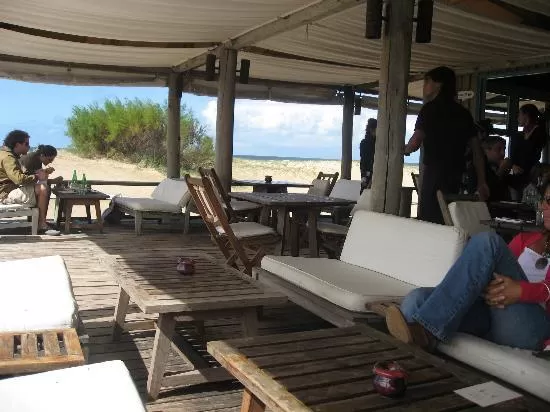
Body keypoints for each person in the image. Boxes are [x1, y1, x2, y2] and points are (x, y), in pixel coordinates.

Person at [385, 178, 550, 352]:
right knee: (416, 300)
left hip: (532, 328)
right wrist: (488, 288)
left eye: (549, 201)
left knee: (488, 242)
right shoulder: (524, 239)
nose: (543, 206)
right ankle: (420, 357)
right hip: (493, 317)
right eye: (544, 200)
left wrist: (520, 291)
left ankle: (426, 331)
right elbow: (492, 271)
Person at [404, 66, 489, 224]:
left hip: (434, 173)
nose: (424, 86)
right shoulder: (463, 113)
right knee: (449, 218)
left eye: (427, 81)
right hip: (456, 175)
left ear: (439, 84)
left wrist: (403, 150)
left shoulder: (429, 109)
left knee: (429, 219)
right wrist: (482, 181)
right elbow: (478, 152)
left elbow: (415, 142)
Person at [0, 130, 50, 231]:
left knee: (41, 188)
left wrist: (34, 174)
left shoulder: (5, 154)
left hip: (7, 189)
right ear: (18, 144)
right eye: (26, 144)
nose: (28, 146)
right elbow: (18, 179)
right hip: (5, 193)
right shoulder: (8, 158)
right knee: (43, 189)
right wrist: (36, 176)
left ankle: (40, 220)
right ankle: (42, 223)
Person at [508, 104, 547, 194]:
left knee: (529, 202)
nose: (518, 117)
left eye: (520, 114)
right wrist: (513, 165)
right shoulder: (519, 135)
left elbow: (532, 153)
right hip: (517, 175)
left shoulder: (539, 132)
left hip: (530, 174)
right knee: (515, 202)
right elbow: (513, 155)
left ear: (526, 115)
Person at [482, 136, 511, 202]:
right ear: (486, 150)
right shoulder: (480, 167)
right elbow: (489, 192)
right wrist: (501, 171)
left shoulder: (497, 166)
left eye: (504, 149)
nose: (503, 153)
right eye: (499, 149)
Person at [360, 118, 377, 189]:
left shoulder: (364, 142)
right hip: (370, 173)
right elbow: (364, 160)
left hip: (368, 173)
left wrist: (363, 176)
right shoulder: (367, 143)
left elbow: (363, 161)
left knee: (364, 193)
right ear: (371, 129)